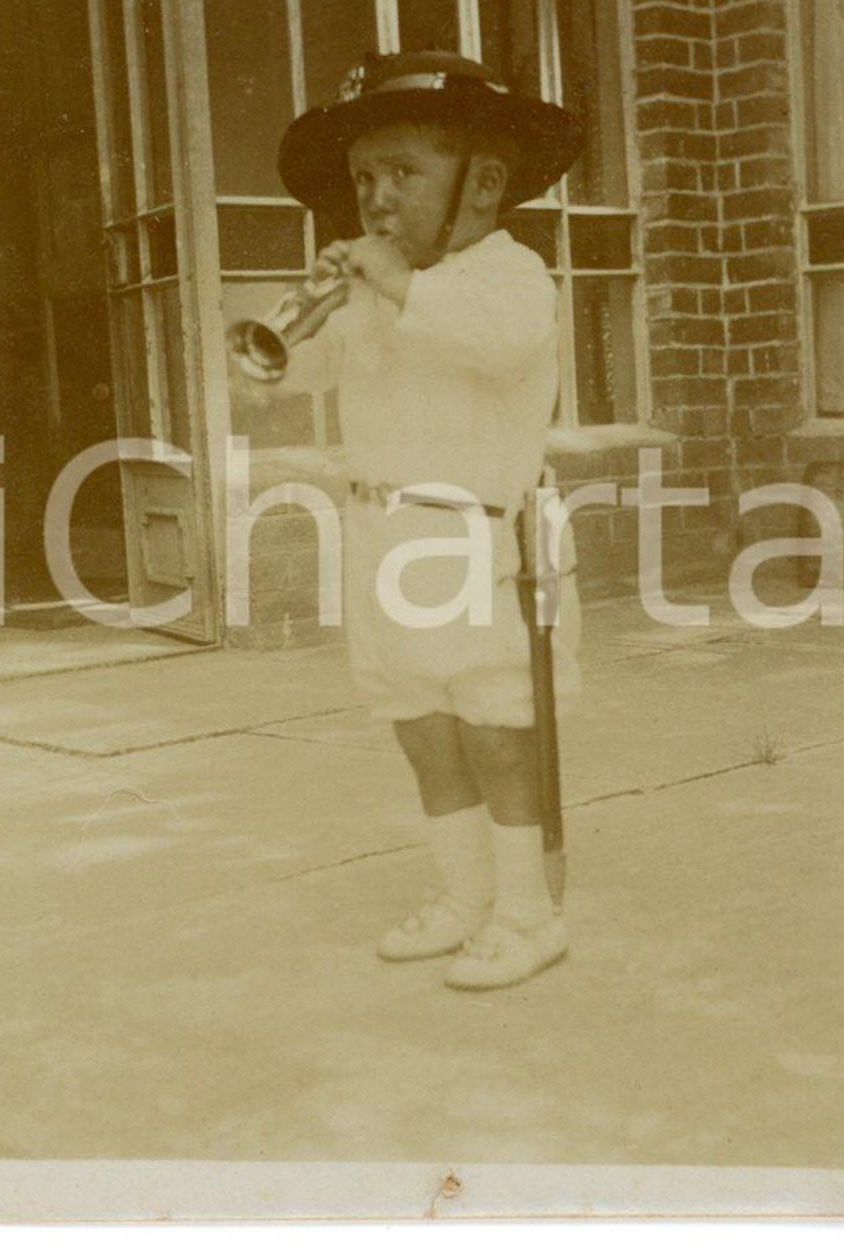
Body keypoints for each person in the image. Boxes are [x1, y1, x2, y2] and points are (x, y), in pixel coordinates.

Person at [266, 49, 581, 990]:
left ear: (483, 184)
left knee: (495, 728)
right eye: (364, 177)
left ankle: (527, 913)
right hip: (383, 536)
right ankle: (464, 895)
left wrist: (395, 282)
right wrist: (295, 321)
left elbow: (499, 344)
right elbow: (290, 374)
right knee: (419, 723)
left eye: (403, 172)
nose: (377, 198)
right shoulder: (376, 284)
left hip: (480, 540)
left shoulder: (513, 274)